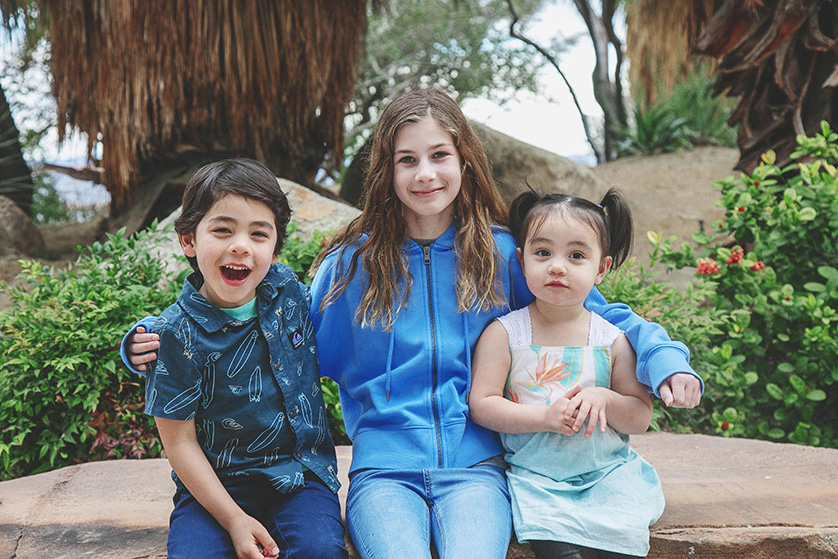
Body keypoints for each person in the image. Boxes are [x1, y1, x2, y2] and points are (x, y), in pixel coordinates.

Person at [122, 89, 701, 559]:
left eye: (439, 155)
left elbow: (603, 316)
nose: (425, 173)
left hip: (479, 466)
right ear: (387, 171)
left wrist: (665, 360)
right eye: (407, 159)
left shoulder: (504, 255)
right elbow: (265, 320)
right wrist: (154, 338)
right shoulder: (351, 266)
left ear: (465, 161)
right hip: (383, 471)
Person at [137, 158, 346, 559]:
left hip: (302, 475)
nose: (241, 245)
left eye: (259, 233)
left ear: (275, 247)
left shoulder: (287, 291)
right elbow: (178, 442)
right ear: (188, 240)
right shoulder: (175, 336)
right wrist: (233, 519)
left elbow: (347, 305)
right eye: (222, 229)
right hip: (214, 487)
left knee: (319, 550)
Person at [469, 188, 663, 559]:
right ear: (522, 260)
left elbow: (639, 416)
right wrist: (543, 416)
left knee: (619, 542)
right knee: (556, 548)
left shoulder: (612, 340)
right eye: (543, 253)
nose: (557, 266)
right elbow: (482, 404)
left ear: (601, 269)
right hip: (536, 480)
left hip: (607, 475)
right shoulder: (506, 334)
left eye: (576, 256)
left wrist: (605, 399)